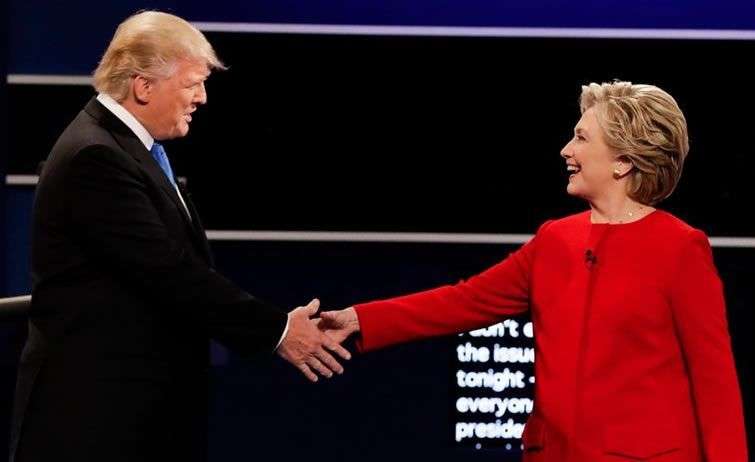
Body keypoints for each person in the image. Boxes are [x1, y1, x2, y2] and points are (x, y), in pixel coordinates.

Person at [320, 81, 748, 461]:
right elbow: (462, 301)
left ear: (623, 162)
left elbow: (716, 384)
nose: (566, 150)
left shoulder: (679, 248)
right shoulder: (555, 241)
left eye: (581, 138)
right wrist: (361, 318)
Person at [10, 11, 349, 462]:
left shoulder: (128, 148)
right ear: (143, 85)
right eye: (192, 84)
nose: (202, 98)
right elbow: (170, 272)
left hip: (133, 411)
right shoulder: (96, 157)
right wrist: (279, 330)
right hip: (96, 419)